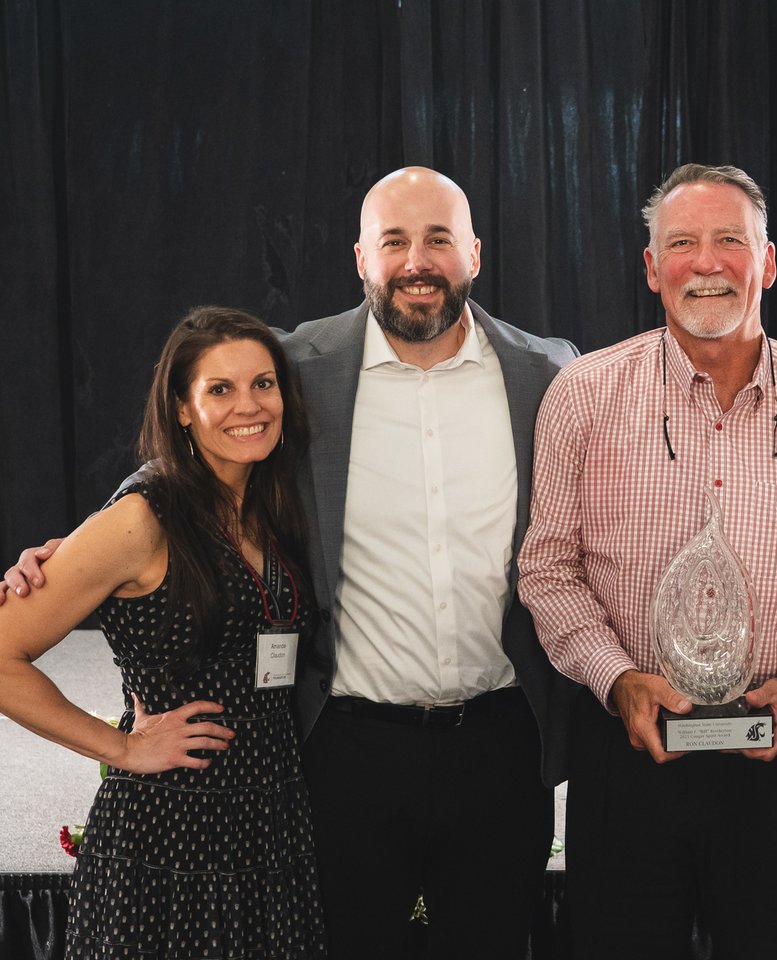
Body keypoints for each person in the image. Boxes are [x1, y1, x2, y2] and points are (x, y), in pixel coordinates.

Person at [2, 168, 579, 959]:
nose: (418, 259)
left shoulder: (547, 374)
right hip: (345, 750)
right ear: (361, 259)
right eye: (395, 241)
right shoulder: (300, 365)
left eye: (439, 238)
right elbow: (202, 445)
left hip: (497, 742)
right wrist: (87, 536)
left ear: (474, 251)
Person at [517, 162, 777, 958]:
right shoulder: (583, 394)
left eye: (731, 240)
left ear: (770, 261)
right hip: (629, 753)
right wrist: (617, 678)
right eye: (682, 242)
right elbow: (547, 570)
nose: (708, 262)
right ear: (652, 268)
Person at [0, 307, 326, 958]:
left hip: (274, 831)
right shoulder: (141, 519)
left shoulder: (275, 501)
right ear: (181, 408)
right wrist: (119, 748)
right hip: (169, 838)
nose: (249, 405)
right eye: (220, 389)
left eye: (263, 384)